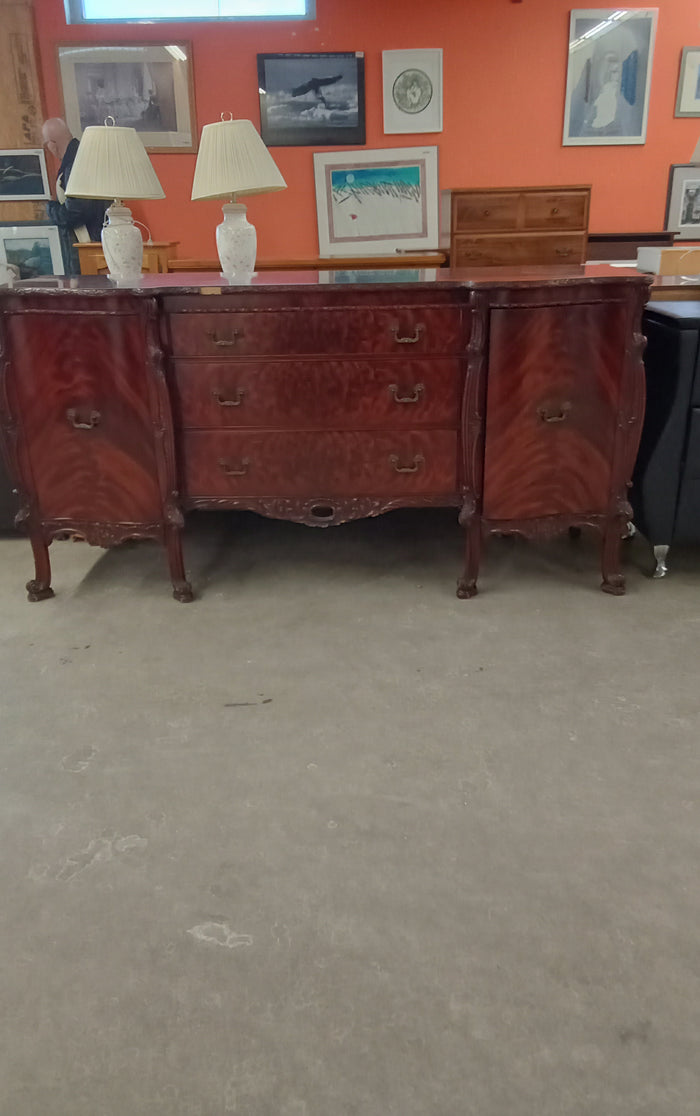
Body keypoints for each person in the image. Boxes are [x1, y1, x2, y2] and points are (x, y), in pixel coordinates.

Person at [41, 117, 109, 275]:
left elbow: (76, 211)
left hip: (87, 249)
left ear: (52, 143)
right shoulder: (85, 157)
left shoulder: (75, 164)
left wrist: (51, 208)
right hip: (98, 244)